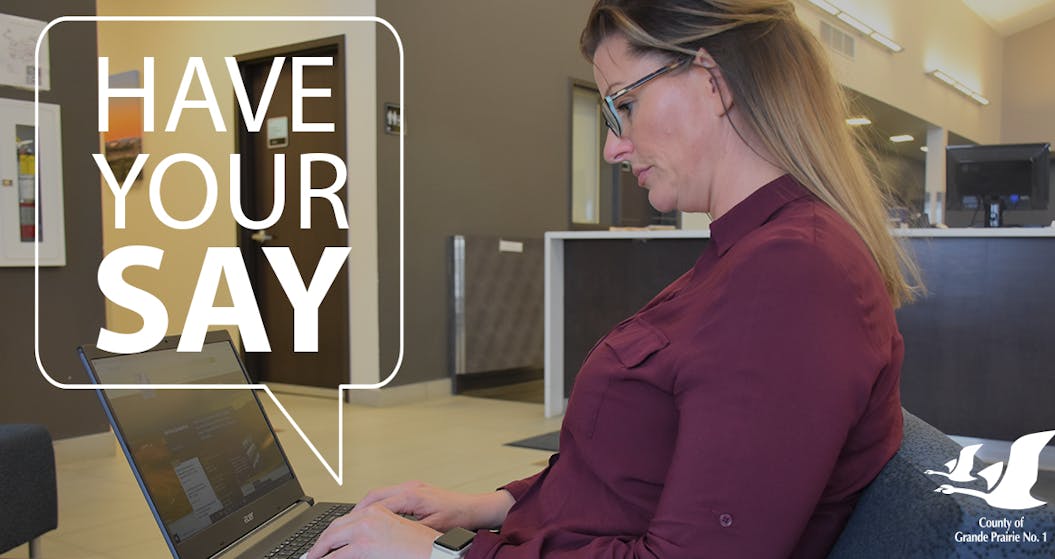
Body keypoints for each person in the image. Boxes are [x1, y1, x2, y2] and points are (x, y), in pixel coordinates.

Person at [306, 0, 922, 557]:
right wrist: (485, 506)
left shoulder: (793, 276)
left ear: (711, 81)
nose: (612, 147)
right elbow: (626, 477)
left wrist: (433, 558)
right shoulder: (750, 254)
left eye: (624, 104)